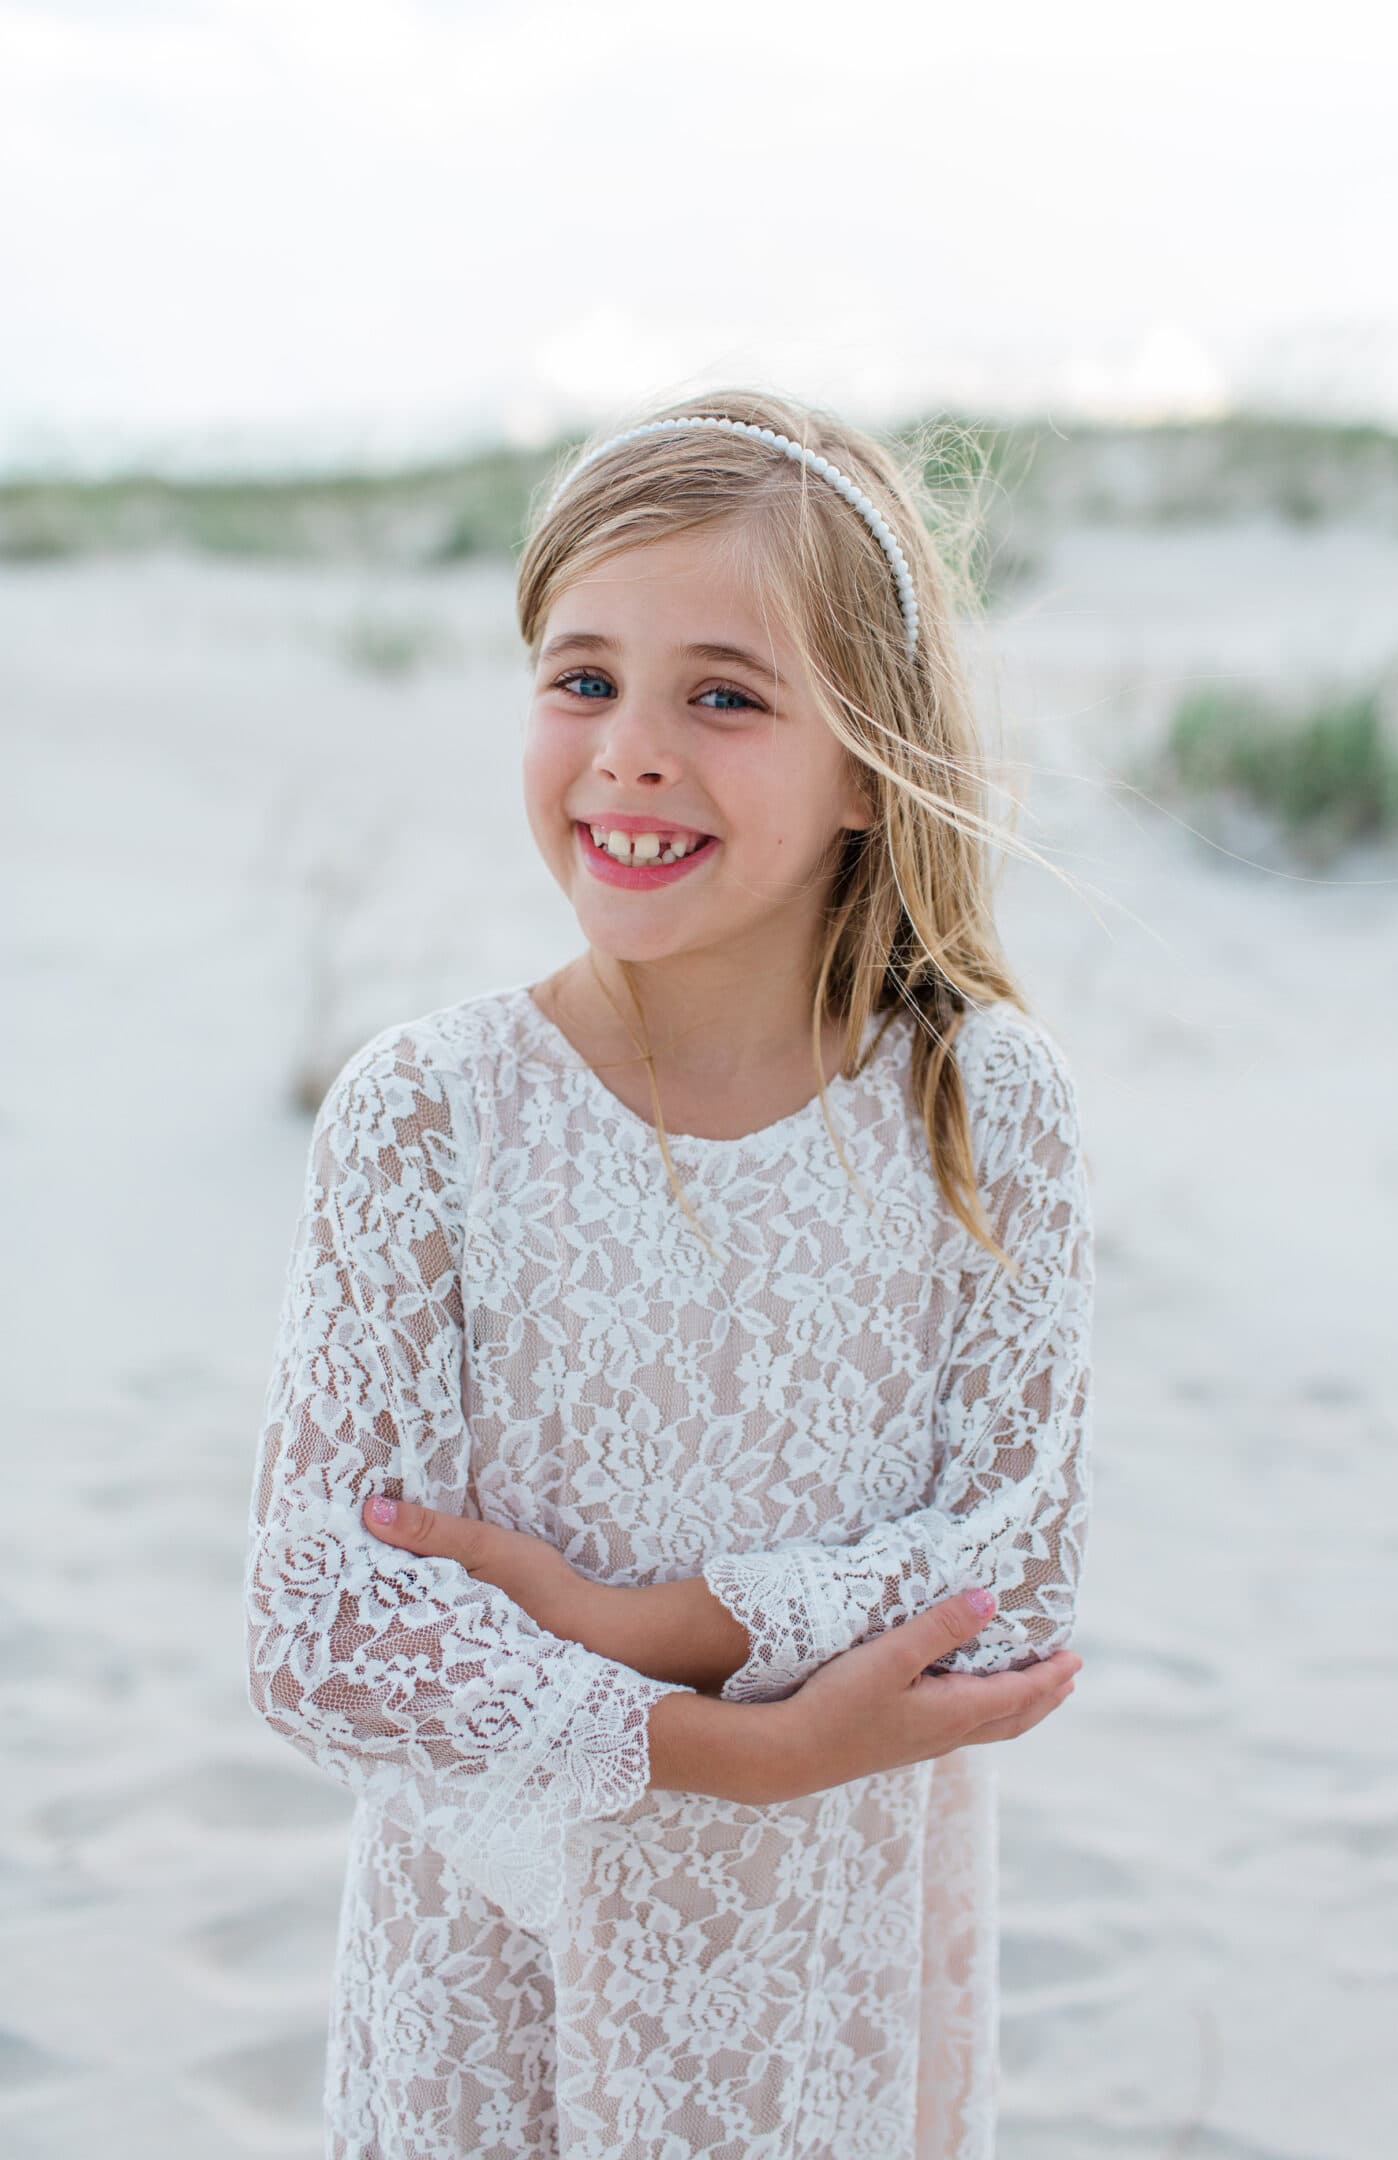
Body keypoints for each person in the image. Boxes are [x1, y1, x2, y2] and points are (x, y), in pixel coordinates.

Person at [243, 388, 1094, 2160]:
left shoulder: (977, 1104)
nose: (631, 748)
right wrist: (741, 1743)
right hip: (493, 1981)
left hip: (820, 1984)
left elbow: (1015, 1576)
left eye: (723, 692)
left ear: (867, 763)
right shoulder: (428, 1118)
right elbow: (325, 1631)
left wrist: (647, 1629)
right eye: (582, 679)